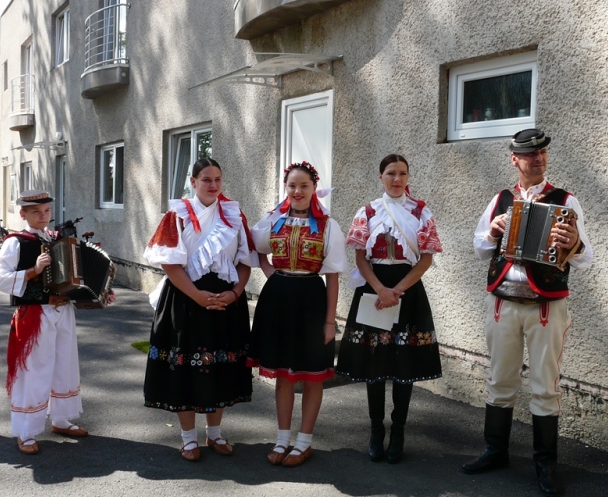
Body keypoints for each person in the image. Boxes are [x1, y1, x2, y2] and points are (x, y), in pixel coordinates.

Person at [463, 129, 593, 497]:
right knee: (500, 378)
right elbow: (479, 248)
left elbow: (586, 259)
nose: (538, 158)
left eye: (542, 152)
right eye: (530, 154)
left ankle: (545, 461)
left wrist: (575, 244)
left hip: (546, 304)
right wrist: (491, 232)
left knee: (544, 384)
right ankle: (495, 450)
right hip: (503, 300)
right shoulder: (501, 199)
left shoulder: (567, 201)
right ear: (514, 159)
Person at [143, 158, 255, 462]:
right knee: (186, 368)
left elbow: (244, 261)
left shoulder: (234, 214)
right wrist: (197, 296)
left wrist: (234, 293)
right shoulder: (176, 215)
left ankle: (215, 433)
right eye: (206, 179)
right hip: (185, 299)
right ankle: (188, 439)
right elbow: (170, 263)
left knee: (219, 366)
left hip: (225, 302)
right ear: (193, 182)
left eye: (218, 179)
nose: (214, 185)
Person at [335, 154, 444, 463]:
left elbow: (425, 259)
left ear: (408, 177)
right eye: (391, 173)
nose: (397, 179)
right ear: (380, 176)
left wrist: (398, 290)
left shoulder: (421, 213)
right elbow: (360, 258)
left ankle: (398, 431)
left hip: (407, 289)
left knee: (403, 365)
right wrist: (381, 289)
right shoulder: (368, 212)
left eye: (403, 173)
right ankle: (375, 431)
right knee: (374, 363)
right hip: (375, 287)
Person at [248, 161, 346, 468]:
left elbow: (332, 277)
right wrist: (270, 273)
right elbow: (256, 248)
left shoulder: (328, 225)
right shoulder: (274, 220)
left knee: (312, 374)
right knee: (283, 374)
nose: (298, 191)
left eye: (304, 186)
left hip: (312, 300)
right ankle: (282, 439)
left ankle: (304, 442)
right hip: (278, 299)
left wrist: (330, 321)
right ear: (285, 187)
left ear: (314, 188)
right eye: (292, 186)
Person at [0, 190, 91, 455]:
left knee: (64, 365)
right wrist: (33, 271)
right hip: (35, 314)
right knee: (33, 372)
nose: (43, 216)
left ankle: (61, 419)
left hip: (62, 311)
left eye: (46, 211)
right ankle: (25, 431)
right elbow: (0, 279)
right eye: (36, 212)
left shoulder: (58, 238)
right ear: (23, 214)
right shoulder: (15, 242)